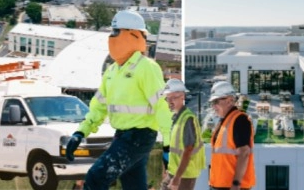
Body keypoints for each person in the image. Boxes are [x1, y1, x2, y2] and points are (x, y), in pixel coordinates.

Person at [65, 10, 172, 190]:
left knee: (95, 178)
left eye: (116, 32)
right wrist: (80, 133)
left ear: (134, 34)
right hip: (123, 137)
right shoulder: (112, 71)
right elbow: (98, 107)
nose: (111, 37)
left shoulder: (146, 67)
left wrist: (169, 146)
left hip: (140, 136)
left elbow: (162, 107)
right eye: (111, 32)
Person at [207, 81, 255, 190]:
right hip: (220, 185)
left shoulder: (240, 120)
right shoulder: (224, 121)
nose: (213, 106)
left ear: (229, 100)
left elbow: (244, 152)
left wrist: (236, 184)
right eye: (212, 103)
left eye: (216, 102)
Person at [160, 79, 204, 190]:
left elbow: (188, 150)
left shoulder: (187, 119)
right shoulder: (177, 118)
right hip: (175, 172)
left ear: (183, 97)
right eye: (167, 98)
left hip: (184, 175)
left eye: (173, 98)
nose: (170, 102)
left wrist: (176, 179)